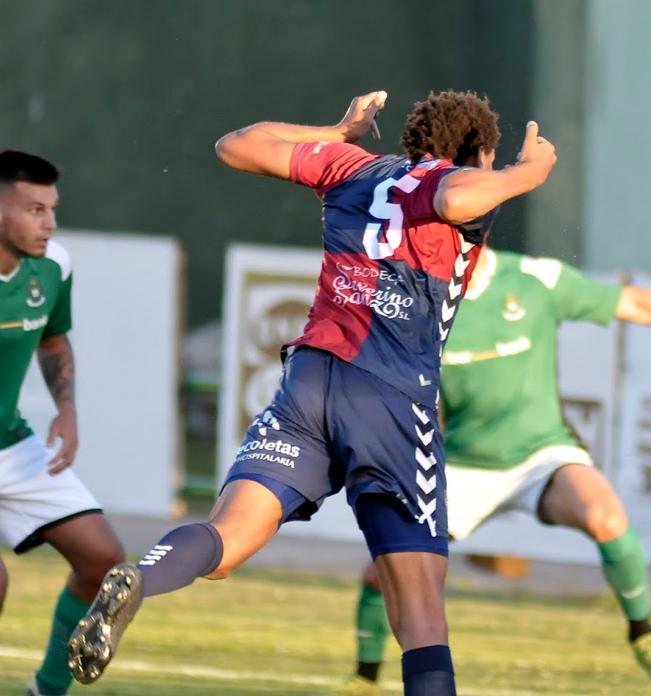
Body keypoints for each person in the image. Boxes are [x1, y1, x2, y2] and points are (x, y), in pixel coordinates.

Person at [67, 90, 556, 696]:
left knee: (225, 539)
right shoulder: (466, 185)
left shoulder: (352, 166)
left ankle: (143, 577)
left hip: (311, 381)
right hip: (391, 398)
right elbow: (454, 196)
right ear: (480, 151)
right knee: (421, 608)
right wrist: (526, 173)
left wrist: (336, 129)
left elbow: (236, 144)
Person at [333, 245, 651, 695]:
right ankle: (365, 677)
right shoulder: (418, 300)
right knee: (383, 571)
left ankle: (644, 634)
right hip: (464, 464)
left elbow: (632, 302)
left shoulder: (534, 279)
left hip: (541, 454)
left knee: (604, 514)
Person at [0, 150, 126, 696]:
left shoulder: (54, 265)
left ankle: (45, 692)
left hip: (13, 443)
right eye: (33, 209)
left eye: (51, 209)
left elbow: (52, 338)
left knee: (104, 562)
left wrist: (67, 410)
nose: (48, 223)